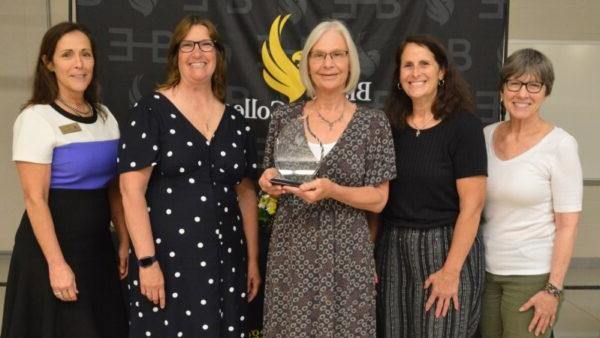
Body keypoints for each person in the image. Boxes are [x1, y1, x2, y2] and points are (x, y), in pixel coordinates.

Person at [118, 15, 260, 337]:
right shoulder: (150, 111)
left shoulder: (235, 121)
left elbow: (247, 193)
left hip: (228, 265)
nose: (198, 53)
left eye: (206, 44)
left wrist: (252, 259)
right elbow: (130, 191)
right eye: (188, 45)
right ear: (175, 55)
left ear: (218, 54)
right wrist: (146, 263)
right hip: (168, 265)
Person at [259, 20, 396, 337]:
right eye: (318, 55)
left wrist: (333, 190)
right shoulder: (284, 117)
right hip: (291, 252)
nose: (328, 64)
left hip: (348, 255)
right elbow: (270, 179)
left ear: (350, 62)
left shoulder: (373, 124)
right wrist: (269, 183)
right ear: (307, 63)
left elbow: (379, 199)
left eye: (337, 54)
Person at [1, 22, 129, 338]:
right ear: (49, 63)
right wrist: (56, 266)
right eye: (67, 55)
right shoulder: (35, 118)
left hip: (97, 254)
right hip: (50, 256)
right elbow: (35, 198)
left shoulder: (105, 117)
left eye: (85, 54)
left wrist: (124, 240)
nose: (79, 64)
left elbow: (114, 189)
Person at [375, 34, 487, 337]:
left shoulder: (465, 127)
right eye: (407, 65)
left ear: (442, 72)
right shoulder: (388, 126)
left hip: (447, 250)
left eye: (424, 64)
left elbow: (473, 207)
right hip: (394, 251)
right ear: (398, 75)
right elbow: (377, 200)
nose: (415, 72)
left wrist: (451, 272)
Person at [480, 49, 582, 338]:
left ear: (545, 92)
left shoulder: (560, 145)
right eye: (514, 83)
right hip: (486, 273)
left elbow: (568, 225)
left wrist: (553, 290)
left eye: (533, 85)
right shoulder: (485, 136)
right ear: (502, 90)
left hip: (532, 276)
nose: (522, 93)